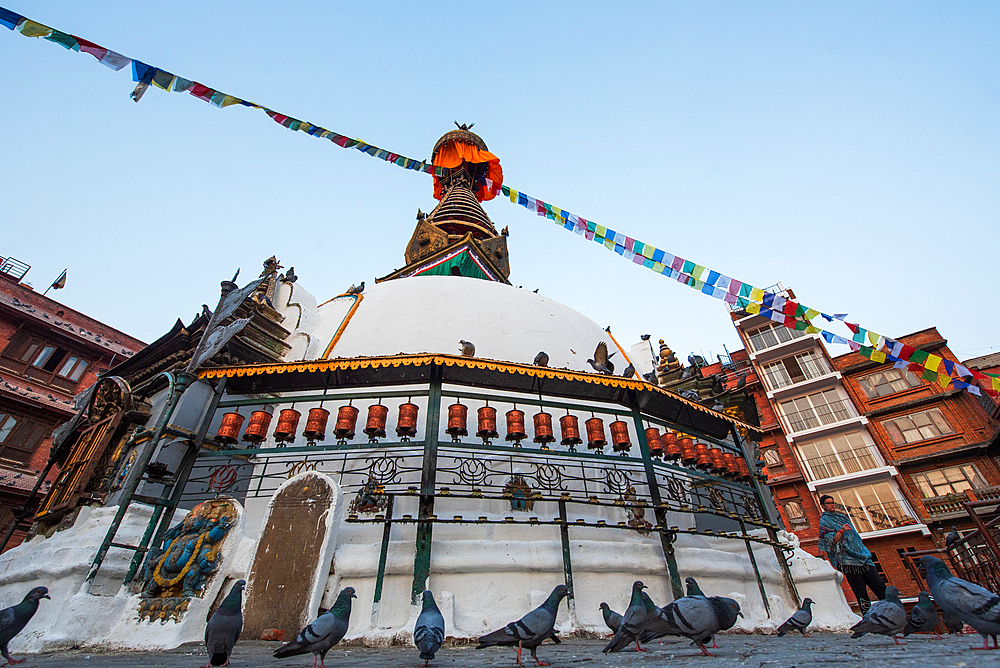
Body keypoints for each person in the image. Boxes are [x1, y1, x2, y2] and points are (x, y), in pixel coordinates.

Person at [817, 494, 887, 612]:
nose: (832, 504)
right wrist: (841, 530)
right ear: (823, 506)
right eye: (829, 503)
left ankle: (891, 611)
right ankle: (868, 618)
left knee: (879, 585)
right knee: (860, 592)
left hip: (862, 556)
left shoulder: (842, 517)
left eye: (833, 502)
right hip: (848, 561)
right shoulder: (825, 521)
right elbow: (830, 541)